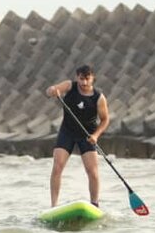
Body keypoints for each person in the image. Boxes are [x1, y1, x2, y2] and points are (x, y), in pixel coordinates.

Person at [44, 64, 110, 207]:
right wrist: (52, 91)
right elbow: (50, 91)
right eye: (81, 79)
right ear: (77, 78)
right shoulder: (69, 86)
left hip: (87, 135)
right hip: (67, 132)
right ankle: (53, 206)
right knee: (57, 167)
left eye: (87, 79)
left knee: (92, 172)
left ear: (92, 78)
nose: (84, 82)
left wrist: (96, 135)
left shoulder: (99, 98)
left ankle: (95, 204)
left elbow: (105, 120)